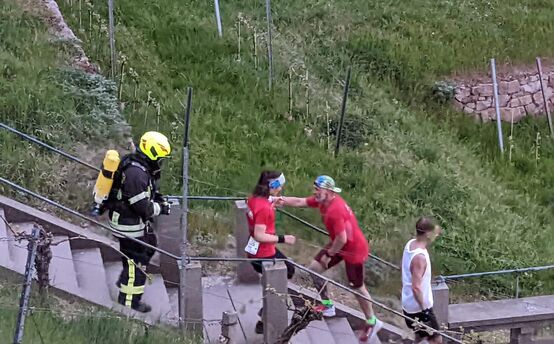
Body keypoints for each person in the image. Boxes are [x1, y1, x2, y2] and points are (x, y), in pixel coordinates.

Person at [279, 175, 382, 342]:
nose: (315, 192)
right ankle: (327, 305)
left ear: (328, 191)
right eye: (315, 189)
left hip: (353, 250)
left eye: (317, 190)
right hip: (339, 245)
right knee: (314, 269)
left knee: (357, 287)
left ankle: (372, 321)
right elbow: (300, 202)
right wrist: (281, 200)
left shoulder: (335, 210)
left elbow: (342, 238)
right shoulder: (323, 201)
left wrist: (329, 255)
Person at [107, 131, 172, 313]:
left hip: (132, 222)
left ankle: (127, 276)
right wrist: (162, 208)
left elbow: (148, 192)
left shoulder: (139, 167)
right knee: (137, 261)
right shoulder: (136, 174)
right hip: (128, 225)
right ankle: (129, 301)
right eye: (160, 158)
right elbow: (142, 206)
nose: (161, 162)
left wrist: (158, 198)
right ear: (152, 153)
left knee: (150, 245)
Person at [246, 170, 296, 334]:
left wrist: (271, 203)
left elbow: (258, 212)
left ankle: (266, 308)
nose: (281, 189)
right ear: (272, 186)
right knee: (288, 271)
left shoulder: (253, 198)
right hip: (264, 254)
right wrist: (283, 239)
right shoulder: (264, 208)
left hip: (254, 252)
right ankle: (266, 314)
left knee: (283, 273)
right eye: (280, 186)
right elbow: (260, 235)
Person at [401, 217, 443, 343]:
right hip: (418, 308)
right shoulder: (420, 257)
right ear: (427, 233)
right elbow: (416, 287)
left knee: (419, 335)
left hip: (408, 303)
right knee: (436, 340)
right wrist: (425, 310)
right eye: (435, 232)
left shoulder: (410, 244)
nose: (436, 235)